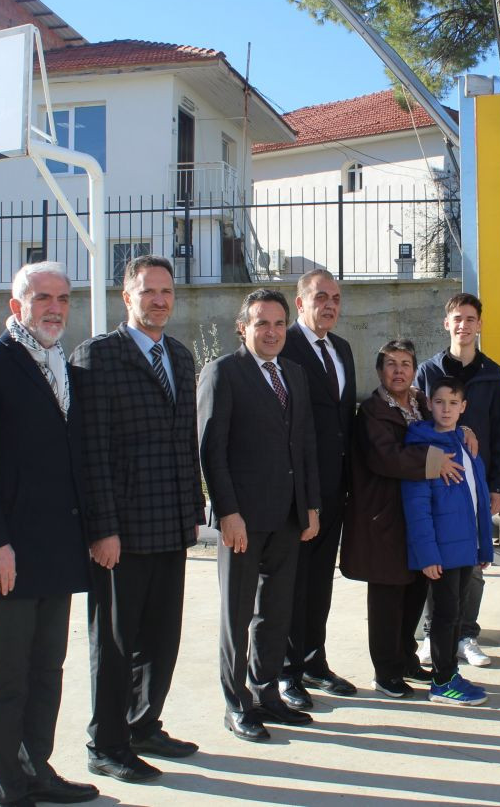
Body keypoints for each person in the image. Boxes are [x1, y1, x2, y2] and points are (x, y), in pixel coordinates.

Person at [0, 262, 97, 806]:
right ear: (17, 306)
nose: (54, 307)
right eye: (42, 298)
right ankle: (6, 789)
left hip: (57, 551)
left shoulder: (68, 369)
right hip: (6, 553)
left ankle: (38, 770)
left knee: (47, 671)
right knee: (8, 678)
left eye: (62, 298)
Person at [69, 255, 204, 782]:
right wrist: (103, 528)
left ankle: (144, 724)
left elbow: (184, 439)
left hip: (170, 523)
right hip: (121, 531)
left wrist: (192, 509)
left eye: (167, 291)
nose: (160, 300)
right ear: (127, 297)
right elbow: (91, 450)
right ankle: (106, 743)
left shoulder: (180, 356)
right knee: (116, 641)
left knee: (162, 635)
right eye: (148, 291)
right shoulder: (97, 357)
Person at [198, 289, 321, 743]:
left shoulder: (293, 373)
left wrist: (309, 505)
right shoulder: (222, 373)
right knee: (237, 613)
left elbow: (303, 443)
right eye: (260, 323)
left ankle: (267, 692)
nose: (270, 332)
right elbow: (212, 450)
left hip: (288, 515)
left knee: (274, 612)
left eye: (277, 323)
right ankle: (236, 705)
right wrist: (227, 513)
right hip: (243, 520)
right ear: (242, 327)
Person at [342, 340, 469, 698]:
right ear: (381, 371)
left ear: (414, 370)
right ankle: (385, 672)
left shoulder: (420, 404)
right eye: (391, 364)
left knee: (415, 589)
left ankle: (406, 659)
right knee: (387, 595)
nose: (399, 371)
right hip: (383, 515)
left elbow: (443, 427)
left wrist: (465, 432)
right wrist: (434, 463)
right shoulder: (371, 412)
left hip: (416, 514)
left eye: (406, 364)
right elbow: (388, 458)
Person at [416, 293, 500, 668]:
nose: (464, 325)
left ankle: (466, 635)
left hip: (477, 484)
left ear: (479, 325)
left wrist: (498, 485)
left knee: (473, 562)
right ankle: (431, 633)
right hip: (439, 480)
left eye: (470, 319)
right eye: (457, 318)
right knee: (436, 560)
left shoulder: (493, 374)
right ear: (446, 324)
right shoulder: (429, 372)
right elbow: (421, 425)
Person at [277, 269, 358, 710]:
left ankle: (314, 661)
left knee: (321, 581)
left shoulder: (342, 348)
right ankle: (287, 672)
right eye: (321, 296)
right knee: (293, 583)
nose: (330, 304)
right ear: (301, 300)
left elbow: (344, 422)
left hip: (335, 490)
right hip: (298, 491)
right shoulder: (282, 344)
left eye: (336, 298)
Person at [401, 376, 495, 706]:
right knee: (443, 615)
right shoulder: (423, 449)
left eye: (453, 403)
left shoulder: (466, 448)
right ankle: (441, 682)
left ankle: (450, 672)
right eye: (439, 402)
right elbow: (417, 507)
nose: (446, 408)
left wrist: (484, 545)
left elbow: (477, 500)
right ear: (429, 404)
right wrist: (427, 555)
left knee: (455, 614)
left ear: (463, 408)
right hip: (440, 551)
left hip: (465, 549)